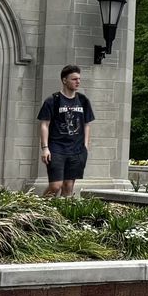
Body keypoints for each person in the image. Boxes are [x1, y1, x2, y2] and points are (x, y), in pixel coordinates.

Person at [37, 65, 95, 197]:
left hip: (76, 150)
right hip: (57, 148)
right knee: (55, 186)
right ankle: (38, 209)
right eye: (74, 79)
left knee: (68, 187)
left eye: (79, 79)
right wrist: (45, 148)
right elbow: (44, 124)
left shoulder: (83, 100)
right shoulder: (53, 100)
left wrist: (85, 145)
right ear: (64, 80)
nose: (78, 82)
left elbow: (87, 124)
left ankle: (63, 215)